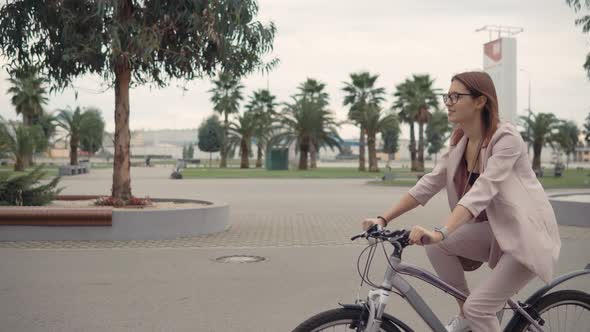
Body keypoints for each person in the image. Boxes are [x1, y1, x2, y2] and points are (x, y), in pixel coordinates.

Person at [361, 71, 561, 332]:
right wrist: (383, 218)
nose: (448, 102)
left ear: (480, 101)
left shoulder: (506, 138)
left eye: (456, 96)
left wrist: (441, 231)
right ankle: (465, 311)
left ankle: (474, 312)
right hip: (497, 231)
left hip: (526, 236)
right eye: (447, 96)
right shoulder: (459, 141)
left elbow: (482, 191)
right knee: (435, 248)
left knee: (479, 307)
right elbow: (428, 184)